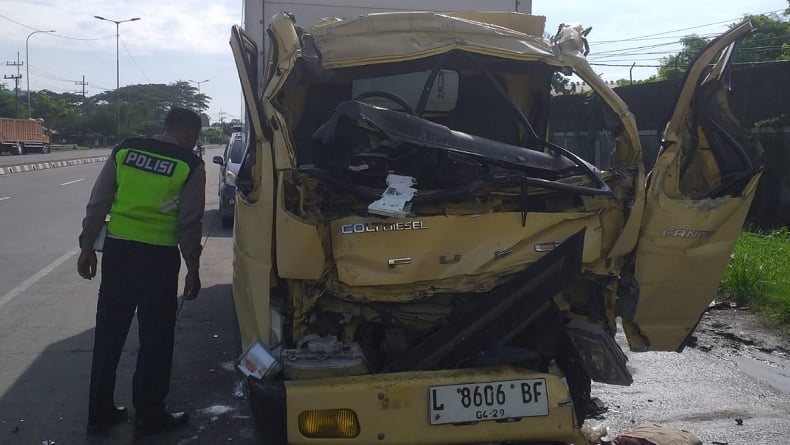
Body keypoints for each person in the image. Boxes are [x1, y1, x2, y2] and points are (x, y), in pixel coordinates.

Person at [77, 107, 206, 438]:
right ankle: (149, 414)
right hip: (159, 260)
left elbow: (98, 202)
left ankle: (99, 411)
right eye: (196, 139)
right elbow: (189, 223)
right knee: (156, 338)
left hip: (118, 255)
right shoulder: (190, 164)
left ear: (165, 127)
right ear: (189, 134)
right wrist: (193, 268)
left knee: (109, 333)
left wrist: (87, 245)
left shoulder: (126, 150)